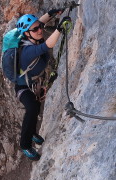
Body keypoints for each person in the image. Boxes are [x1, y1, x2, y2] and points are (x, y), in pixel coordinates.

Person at [14, 9, 72, 160]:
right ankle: (25, 144)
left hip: (32, 82)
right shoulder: (28, 50)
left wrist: (51, 13)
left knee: (36, 106)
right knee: (32, 107)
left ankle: (32, 132)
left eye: (40, 27)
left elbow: (38, 23)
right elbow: (47, 45)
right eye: (36, 29)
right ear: (27, 33)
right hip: (23, 86)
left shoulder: (31, 35)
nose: (40, 30)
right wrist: (59, 29)